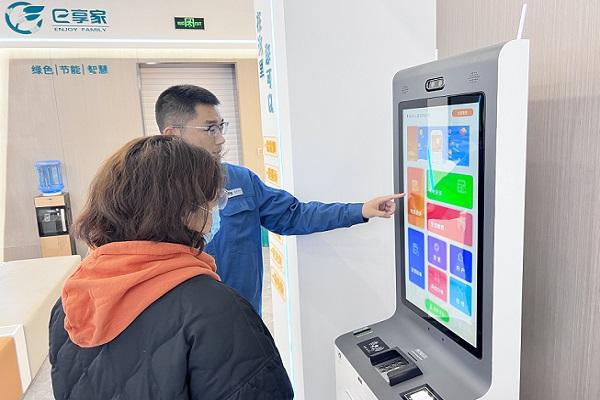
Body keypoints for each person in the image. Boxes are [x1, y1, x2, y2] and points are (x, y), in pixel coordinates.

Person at [49, 136, 293, 400]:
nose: (214, 214)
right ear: (184, 212)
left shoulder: (70, 303)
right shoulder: (218, 311)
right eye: (212, 203)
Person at [156, 85, 404, 314]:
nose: (221, 138)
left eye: (221, 127)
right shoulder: (150, 196)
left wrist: (361, 210)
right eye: (210, 129)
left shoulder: (240, 180)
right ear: (173, 134)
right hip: (186, 325)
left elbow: (294, 215)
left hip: (243, 318)